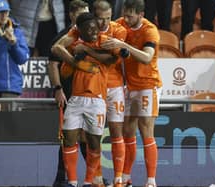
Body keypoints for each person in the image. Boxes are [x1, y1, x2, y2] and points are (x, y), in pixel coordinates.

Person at [101, 0, 163, 186]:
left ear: (141, 15)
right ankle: (125, 177)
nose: (126, 19)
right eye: (125, 15)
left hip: (147, 84)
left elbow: (146, 57)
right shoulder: (120, 24)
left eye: (130, 16)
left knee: (146, 131)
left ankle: (151, 180)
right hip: (128, 85)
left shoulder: (149, 30)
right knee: (127, 131)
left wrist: (124, 45)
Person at [52, 12, 118, 187]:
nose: (93, 32)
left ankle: (89, 182)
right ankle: (73, 182)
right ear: (80, 30)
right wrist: (76, 62)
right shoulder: (74, 46)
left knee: (94, 142)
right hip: (76, 98)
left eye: (95, 28)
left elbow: (112, 59)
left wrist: (88, 51)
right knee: (69, 139)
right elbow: (63, 66)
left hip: (96, 100)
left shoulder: (104, 42)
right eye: (88, 29)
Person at [48, 1, 89, 186]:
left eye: (87, 14)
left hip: (88, 93)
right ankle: (61, 178)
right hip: (69, 94)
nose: (86, 18)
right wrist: (58, 89)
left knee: (88, 136)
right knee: (68, 137)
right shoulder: (62, 37)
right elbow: (53, 64)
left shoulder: (91, 35)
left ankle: (93, 176)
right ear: (72, 15)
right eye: (81, 15)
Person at [92, 0, 127, 186]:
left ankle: (118, 178)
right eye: (100, 19)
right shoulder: (87, 30)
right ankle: (97, 178)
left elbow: (113, 59)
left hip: (114, 88)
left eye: (108, 18)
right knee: (95, 134)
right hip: (94, 88)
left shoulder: (119, 30)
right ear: (94, 16)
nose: (104, 23)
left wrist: (92, 51)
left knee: (116, 132)